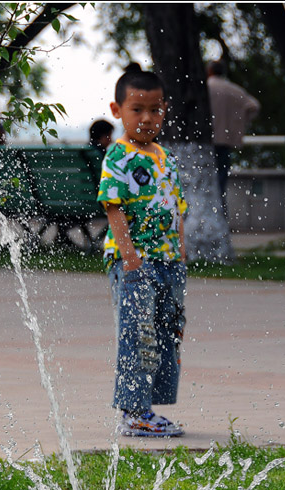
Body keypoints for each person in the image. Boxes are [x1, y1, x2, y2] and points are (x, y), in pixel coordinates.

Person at [97, 63, 187, 437]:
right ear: (118, 111)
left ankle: (151, 405)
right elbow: (113, 207)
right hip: (135, 262)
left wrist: (181, 251)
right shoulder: (119, 156)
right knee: (137, 334)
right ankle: (134, 411)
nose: (148, 118)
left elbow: (178, 207)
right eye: (138, 110)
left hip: (168, 262)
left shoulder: (164, 155)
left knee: (168, 331)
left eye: (156, 109)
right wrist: (130, 256)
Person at [206, 59, 260, 219]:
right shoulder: (233, 89)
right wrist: (239, 123)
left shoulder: (204, 88)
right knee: (221, 180)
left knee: (205, 180)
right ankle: (221, 216)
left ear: (209, 71)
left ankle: (209, 216)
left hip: (205, 140)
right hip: (225, 140)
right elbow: (254, 106)